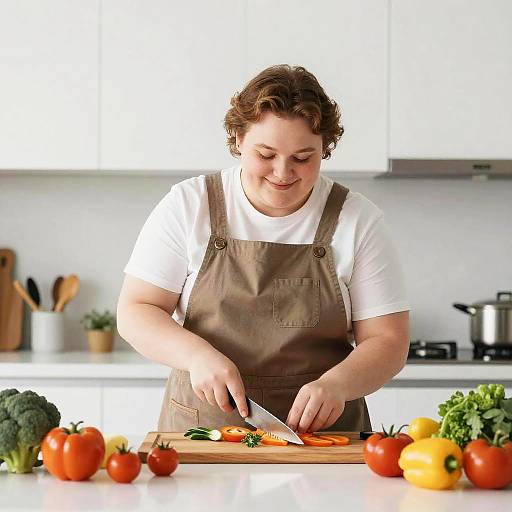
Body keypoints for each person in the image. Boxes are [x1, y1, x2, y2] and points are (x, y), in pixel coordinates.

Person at [117, 64, 410, 435]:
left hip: (322, 436)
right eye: (266, 154)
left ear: (325, 148)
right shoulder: (190, 205)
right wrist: (196, 355)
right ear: (238, 138)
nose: (283, 172)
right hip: (205, 432)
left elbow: (388, 340)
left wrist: (338, 385)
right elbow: (136, 310)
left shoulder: (358, 220)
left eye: (304, 157)